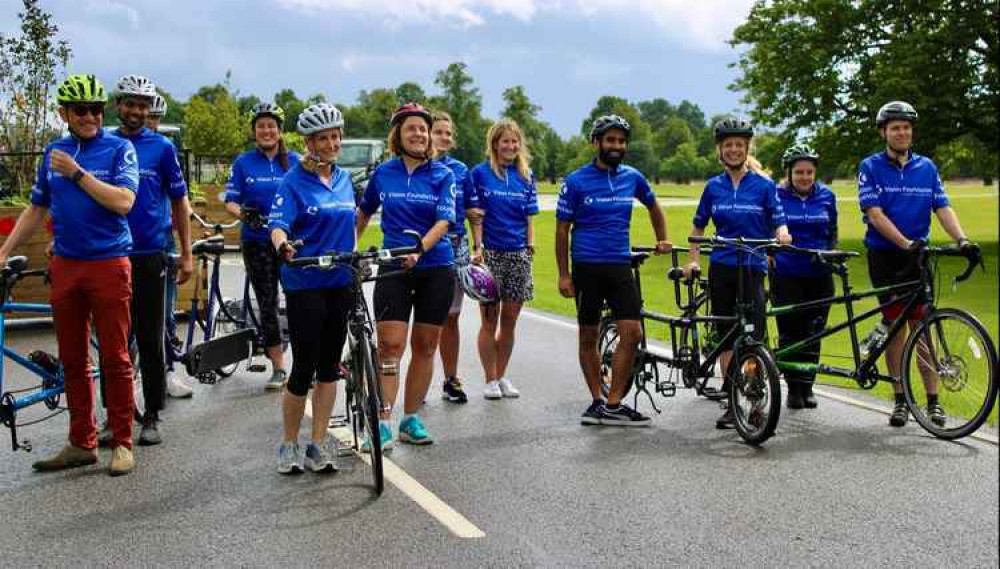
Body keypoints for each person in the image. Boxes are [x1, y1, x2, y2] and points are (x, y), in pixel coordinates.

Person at [0, 74, 139, 475]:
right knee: (73, 358)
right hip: (67, 264)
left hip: (109, 262)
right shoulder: (53, 152)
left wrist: (78, 173)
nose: (91, 117)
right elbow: (36, 209)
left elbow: (124, 202)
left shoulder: (118, 148)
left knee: (114, 357)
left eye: (97, 109)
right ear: (64, 113)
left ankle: (123, 442)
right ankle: (82, 442)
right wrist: (4, 251)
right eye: (81, 110)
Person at [858, 101, 972, 428]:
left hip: (918, 255)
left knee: (923, 326)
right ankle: (899, 399)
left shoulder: (927, 168)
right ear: (884, 132)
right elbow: (875, 215)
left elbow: (943, 206)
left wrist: (963, 240)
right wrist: (905, 244)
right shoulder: (870, 166)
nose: (902, 132)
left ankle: (933, 401)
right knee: (896, 327)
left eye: (906, 127)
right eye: (895, 127)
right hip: (886, 255)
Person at [555, 114, 671, 426]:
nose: (616, 146)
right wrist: (564, 275)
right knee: (588, 335)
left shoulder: (633, 177)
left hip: (619, 264)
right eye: (610, 140)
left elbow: (653, 205)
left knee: (632, 332)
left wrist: (663, 239)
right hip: (587, 266)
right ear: (596, 143)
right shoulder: (577, 181)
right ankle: (596, 400)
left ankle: (614, 403)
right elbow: (562, 230)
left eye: (621, 141)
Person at [357, 102, 455, 447]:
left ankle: (410, 418)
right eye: (411, 128)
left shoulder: (443, 174)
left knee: (426, 345)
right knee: (390, 347)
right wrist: (350, 250)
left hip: (436, 266)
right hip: (393, 268)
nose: (418, 133)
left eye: (423, 129)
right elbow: (363, 212)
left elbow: (444, 221)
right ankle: (383, 419)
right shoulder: (384, 173)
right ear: (398, 134)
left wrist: (420, 250)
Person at [684, 116, 790, 429]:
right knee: (728, 338)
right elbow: (698, 226)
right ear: (720, 149)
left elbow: (779, 219)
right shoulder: (713, 187)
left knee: (753, 337)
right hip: (722, 268)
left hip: (753, 267)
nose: (733, 150)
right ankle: (733, 401)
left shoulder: (764, 186)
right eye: (728, 145)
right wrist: (693, 261)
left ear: (747, 148)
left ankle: (755, 402)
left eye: (739, 145)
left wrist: (783, 234)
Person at [269, 103, 355, 474]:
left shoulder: (344, 178)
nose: (332, 143)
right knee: (303, 367)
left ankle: (318, 444)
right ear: (309, 142)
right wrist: (283, 246)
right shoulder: (292, 182)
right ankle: (289, 444)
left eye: (336, 136)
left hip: (340, 281)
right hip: (305, 282)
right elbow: (277, 224)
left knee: (329, 367)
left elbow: (352, 223)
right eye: (324, 138)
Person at [109, 75, 194, 445]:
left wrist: (187, 253)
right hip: (109, 253)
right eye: (131, 104)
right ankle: (115, 419)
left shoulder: (162, 148)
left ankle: (153, 416)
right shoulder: (103, 143)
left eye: (143, 105)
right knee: (114, 342)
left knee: (150, 337)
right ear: (119, 105)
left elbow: (179, 201)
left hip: (150, 253)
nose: (136, 111)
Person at [224, 103, 299, 390]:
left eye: (272, 126)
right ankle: (279, 366)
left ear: (280, 131)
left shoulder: (295, 161)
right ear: (255, 131)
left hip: (291, 242)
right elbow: (231, 201)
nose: (266, 131)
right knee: (267, 303)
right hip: (257, 242)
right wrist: (244, 215)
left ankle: (306, 362)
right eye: (261, 126)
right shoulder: (244, 163)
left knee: (298, 301)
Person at [470, 119, 539, 400]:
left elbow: (529, 216)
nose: (510, 146)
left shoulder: (526, 176)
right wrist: (478, 248)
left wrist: (530, 244)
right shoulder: (480, 174)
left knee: (509, 321)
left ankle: (501, 375)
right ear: (495, 144)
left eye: (515, 141)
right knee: (490, 321)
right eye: (505, 141)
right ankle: (489, 380)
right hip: (491, 255)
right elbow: (475, 215)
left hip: (518, 254)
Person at [770, 143, 837, 409]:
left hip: (819, 273)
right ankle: (792, 388)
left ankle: (808, 386)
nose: (805, 177)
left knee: (814, 331)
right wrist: (770, 250)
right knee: (790, 330)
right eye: (799, 172)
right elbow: (768, 226)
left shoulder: (827, 196)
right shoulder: (775, 195)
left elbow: (832, 229)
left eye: (809, 172)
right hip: (786, 272)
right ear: (789, 172)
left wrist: (832, 253)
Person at [431, 110, 481, 404]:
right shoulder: (416, 167)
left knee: (451, 318)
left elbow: (473, 213)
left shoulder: (462, 170)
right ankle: (418, 381)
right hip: (424, 249)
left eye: (449, 133)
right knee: (424, 318)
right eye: (439, 132)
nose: (445, 138)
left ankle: (451, 379)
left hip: (456, 246)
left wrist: (478, 246)